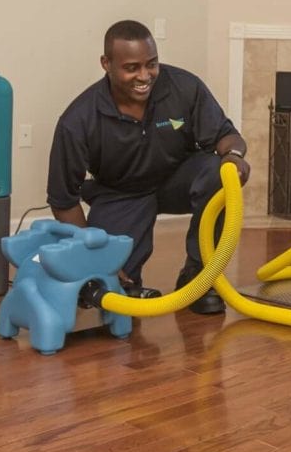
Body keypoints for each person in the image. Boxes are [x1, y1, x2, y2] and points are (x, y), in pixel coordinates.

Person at [47, 20, 251, 313]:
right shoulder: (79, 120)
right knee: (114, 288)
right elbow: (63, 200)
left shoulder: (183, 86)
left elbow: (226, 135)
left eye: (151, 64)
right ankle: (126, 286)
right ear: (106, 63)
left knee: (219, 173)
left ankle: (199, 277)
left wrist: (233, 156)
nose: (144, 76)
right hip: (121, 193)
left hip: (176, 179)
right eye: (132, 68)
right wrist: (92, 257)